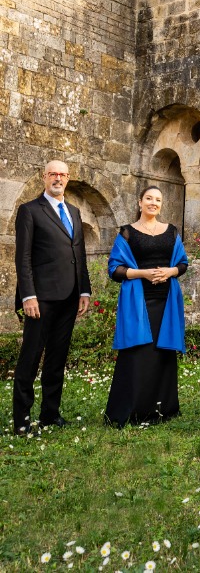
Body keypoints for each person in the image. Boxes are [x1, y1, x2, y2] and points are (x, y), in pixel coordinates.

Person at [13, 160, 91, 434]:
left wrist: (84, 289)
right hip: (40, 299)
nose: (58, 178)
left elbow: (78, 253)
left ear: (68, 178)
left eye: (62, 174)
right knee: (30, 357)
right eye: (53, 174)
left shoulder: (74, 211)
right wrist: (28, 295)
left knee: (57, 358)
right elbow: (22, 258)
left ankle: (50, 414)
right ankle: (21, 420)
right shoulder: (30, 211)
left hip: (70, 296)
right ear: (44, 177)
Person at [104, 185, 188, 427]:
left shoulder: (171, 232)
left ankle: (163, 409)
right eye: (149, 198)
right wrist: (144, 274)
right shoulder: (127, 233)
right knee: (137, 354)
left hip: (166, 301)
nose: (153, 203)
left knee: (162, 354)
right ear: (140, 202)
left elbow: (182, 263)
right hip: (138, 302)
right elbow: (115, 269)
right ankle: (132, 410)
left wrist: (170, 271)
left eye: (158, 200)